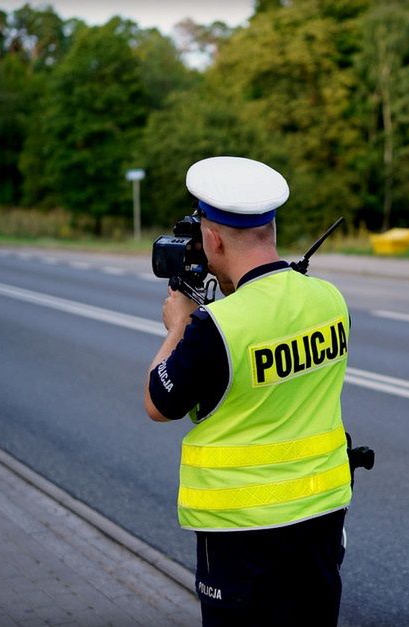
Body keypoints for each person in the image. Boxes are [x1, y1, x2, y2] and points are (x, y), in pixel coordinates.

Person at [144, 156, 352, 625]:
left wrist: (178, 326)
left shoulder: (215, 326)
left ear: (212, 238)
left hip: (241, 534)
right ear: (270, 228)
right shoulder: (329, 299)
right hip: (321, 518)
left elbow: (158, 403)